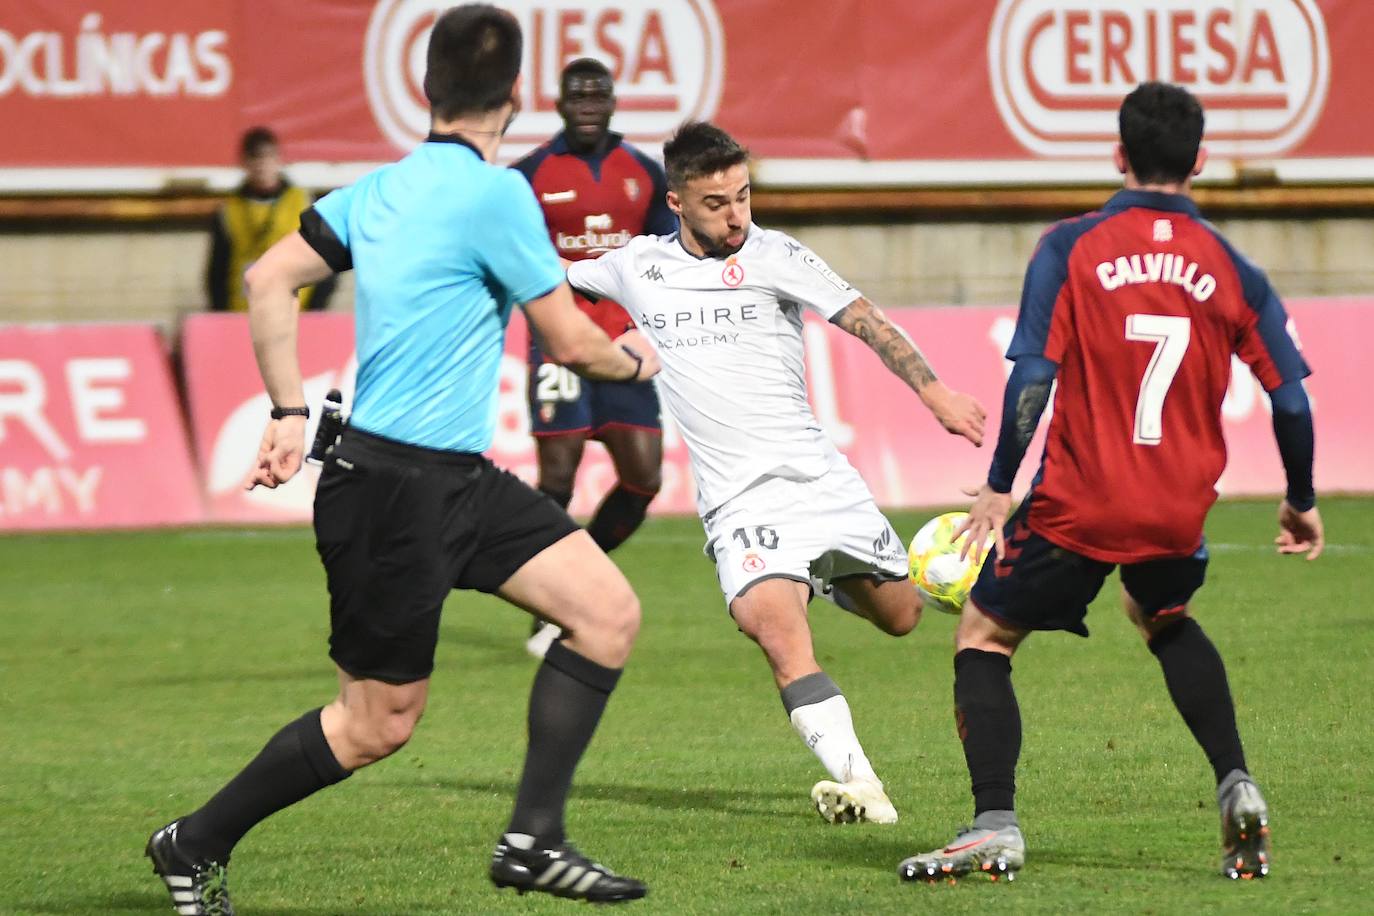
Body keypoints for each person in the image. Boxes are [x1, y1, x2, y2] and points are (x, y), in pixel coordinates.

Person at [145, 7, 656, 912]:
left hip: (453, 479)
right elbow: (572, 342)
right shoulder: (498, 193)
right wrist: (638, 359)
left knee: (606, 611)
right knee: (376, 724)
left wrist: (289, 407)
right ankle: (195, 842)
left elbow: (268, 279)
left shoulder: (377, 190)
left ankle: (534, 840)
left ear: (427, 90)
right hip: (392, 490)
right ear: (516, 97)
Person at [898, 82, 1323, 883]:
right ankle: (1237, 782)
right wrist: (1300, 498)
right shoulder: (1232, 266)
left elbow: (1032, 376)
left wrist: (998, 486)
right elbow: (1291, 396)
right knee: (1161, 612)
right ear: (1199, 161)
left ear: (1119, 154)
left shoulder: (1072, 247)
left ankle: (993, 824)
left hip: (1079, 504)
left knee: (983, 635)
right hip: (1178, 506)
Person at [565, 121, 987, 825]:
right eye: (716, 203)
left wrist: (934, 391)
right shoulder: (634, 265)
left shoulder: (778, 255)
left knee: (903, 616)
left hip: (821, 483)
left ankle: (825, 573)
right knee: (777, 631)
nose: (737, 215)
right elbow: (534, 280)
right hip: (739, 503)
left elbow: (866, 321)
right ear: (676, 203)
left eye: (744, 195)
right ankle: (863, 786)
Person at [513, 58, 677, 656]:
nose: (587, 103)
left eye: (597, 94)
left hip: (622, 344)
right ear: (558, 104)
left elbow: (667, 254)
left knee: (644, 476)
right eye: (576, 95)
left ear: (612, 103)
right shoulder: (529, 175)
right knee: (557, 477)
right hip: (558, 344)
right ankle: (549, 603)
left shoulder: (644, 174)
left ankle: (575, 580)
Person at [206, 126, 335, 313]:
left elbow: (328, 260)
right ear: (244, 163)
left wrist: (315, 311)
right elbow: (217, 273)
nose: (262, 166)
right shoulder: (229, 211)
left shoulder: (305, 204)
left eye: (267, 158)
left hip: (295, 314)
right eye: (255, 159)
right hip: (244, 314)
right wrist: (222, 316)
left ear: (278, 160)